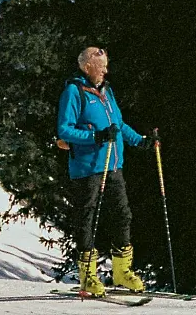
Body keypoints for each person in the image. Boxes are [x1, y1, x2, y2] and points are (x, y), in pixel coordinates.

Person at [57, 47, 156, 296]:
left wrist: (140, 140)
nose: (105, 70)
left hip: (113, 165)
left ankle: (122, 272)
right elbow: (65, 131)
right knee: (87, 218)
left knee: (122, 214)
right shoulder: (74, 91)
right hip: (87, 168)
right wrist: (96, 136)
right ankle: (88, 276)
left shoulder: (106, 91)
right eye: (101, 65)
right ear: (87, 66)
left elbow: (118, 125)